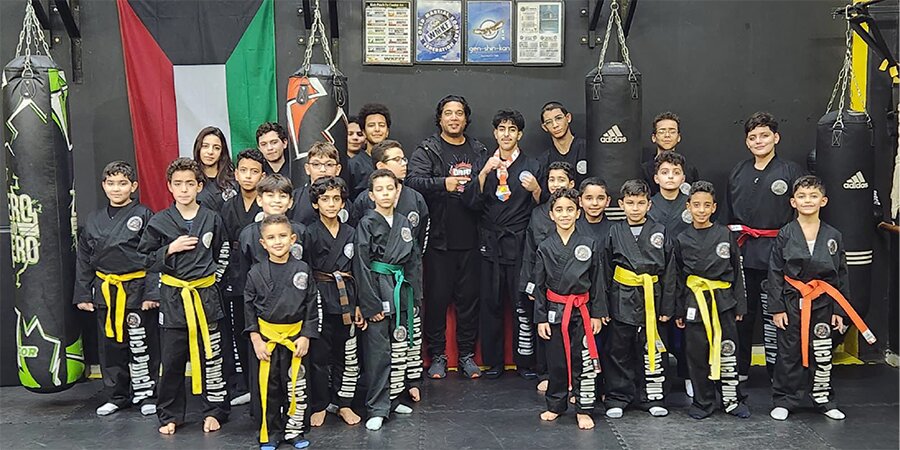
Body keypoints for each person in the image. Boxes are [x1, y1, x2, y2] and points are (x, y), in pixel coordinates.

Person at [767, 176, 875, 421]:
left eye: (813, 196)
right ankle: (785, 400)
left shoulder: (833, 235)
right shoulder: (785, 234)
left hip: (824, 301)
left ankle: (824, 398)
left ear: (823, 201)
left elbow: (841, 274)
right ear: (793, 202)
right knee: (789, 353)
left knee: (822, 352)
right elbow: (774, 271)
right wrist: (777, 308)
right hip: (792, 301)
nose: (808, 201)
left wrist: (839, 310)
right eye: (802, 196)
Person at [138, 158, 229, 435]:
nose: (184, 189)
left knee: (212, 357)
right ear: (169, 187)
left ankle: (214, 411)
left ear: (200, 186)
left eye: (190, 183)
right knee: (172, 360)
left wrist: (213, 280)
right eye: (178, 184)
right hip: (174, 299)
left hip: (205, 296)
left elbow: (223, 251)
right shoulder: (159, 221)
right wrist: (170, 249)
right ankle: (170, 414)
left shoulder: (212, 218)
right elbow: (145, 258)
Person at [406, 95, 487, 379]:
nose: (454, 118)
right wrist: (444, 183)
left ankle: (466, 355)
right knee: (437, 302)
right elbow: (412, 181)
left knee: (469, 303)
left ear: (466, 118)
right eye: (448, 113)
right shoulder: (428, 149)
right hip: (438, 241)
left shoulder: (479, 150)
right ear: (440, 118)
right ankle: (438, 355)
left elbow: (488, 187)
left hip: (472, 240)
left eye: (459, 113)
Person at [74, 161, 160, 417]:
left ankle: (146, 394)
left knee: (141, 344)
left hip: (136, 289)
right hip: (106, 290)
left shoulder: (144, 215)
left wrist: (152, 293)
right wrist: (83, 293)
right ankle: (116, 396)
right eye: (111, 183)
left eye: (122, 183)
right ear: (103, 186)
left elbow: (154, 256)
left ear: (133, 186)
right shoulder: (94, 219)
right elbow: (84, 258)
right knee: (110, 346)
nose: (116, 188)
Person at [726, 112, 805, 381]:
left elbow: (801, 214)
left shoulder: (790, 171)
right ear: (747, 142)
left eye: (764, 135)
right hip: (744, 251)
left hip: (777, 253)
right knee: (742, 314)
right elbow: (730, 216)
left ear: (776, 138)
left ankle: (776, 369)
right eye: (753, 137)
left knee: (776, 314)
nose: (758, 141)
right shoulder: (738, 172)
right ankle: (740, 368)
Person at [663, 181, 750, 419]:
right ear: (688, 207)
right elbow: (677, 278)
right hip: (695, 302)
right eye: (696, 205)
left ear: (714, 207)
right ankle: (703, 402)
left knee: (728, 351)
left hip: (724, 301)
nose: (701, 210)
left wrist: (740, 304)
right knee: (697, 354)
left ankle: (731, 400)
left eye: (706, 205)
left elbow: (737, 270)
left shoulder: (725, 235)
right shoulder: (681, 239)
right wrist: (679, 310)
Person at [469, 109, 543, 379]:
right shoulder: (484, 163)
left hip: (520, 242)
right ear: (495, 133)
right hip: (490, 243)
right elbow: (471, 203)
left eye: (512, 129)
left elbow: (544, 208)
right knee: (491, 303)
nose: (506, 134)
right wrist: (483, 174)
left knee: (521, 303)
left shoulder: (532, 165)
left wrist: (536, 189)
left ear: (519, 134)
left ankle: (525, 361)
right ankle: (493, 361)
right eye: (502, 129)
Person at [354, 169, 424, 431]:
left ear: (397, 192)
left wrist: (415, 296)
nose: (385, 194)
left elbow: (414, 261)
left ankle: (394, 400)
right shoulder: (367, 223)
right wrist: (370, 303)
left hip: (400, 287)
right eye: (379, 189)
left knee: (399, 347)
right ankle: (377, 407)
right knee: (378, 352)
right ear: (371, 195)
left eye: (390, 188)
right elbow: (361, 265)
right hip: (377, 286)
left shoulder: (404, 222)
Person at [244, 214, 319, 450]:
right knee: (269, 387)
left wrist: (306, 335)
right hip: (267, 339)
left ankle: (295, 430)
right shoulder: (255, 272)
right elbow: (248, 308)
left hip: (295, 338)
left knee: (296, 386)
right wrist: (256, 338)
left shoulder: (302, 269)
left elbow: (311, 304)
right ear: (263, 243)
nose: (278, 242)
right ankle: (271, 432)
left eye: (283, 236)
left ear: (293, 239)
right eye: (271, 238)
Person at [534, 188, 605, 430]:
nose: (564, 214)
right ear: (551, 215)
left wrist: (597, 314)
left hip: (581, 311)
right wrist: (541, 318)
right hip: (555, 310)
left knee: (583, 362)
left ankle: (584, 408)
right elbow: (539, 286)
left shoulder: (589, 244)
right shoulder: (545, 246)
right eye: (559, 210)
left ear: (578, 213)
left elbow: (598, 282)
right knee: (556, 362)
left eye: (569, 209)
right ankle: (555, 405)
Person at [601, 179, 672, 419]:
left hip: (653, 297)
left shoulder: (660, 231)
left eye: (641, 203)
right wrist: (603, 306)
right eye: (630, 203)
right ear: (621, 204)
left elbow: (670, 271)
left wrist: (667, 306)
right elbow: (605, 271)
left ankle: (653, 397)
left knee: (652, 348)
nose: (635, 208)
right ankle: (618, 397)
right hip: (621, 297)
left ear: (649, 205)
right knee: (618, 349)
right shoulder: (614, 232)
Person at [305, 176, 366, 427]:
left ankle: (344, 404)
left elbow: (358, 269)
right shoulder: (308, 232)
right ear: (315, 203)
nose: (331, 204)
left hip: (346, 300)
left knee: (347, 355)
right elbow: (305, 271)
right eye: (325, 199)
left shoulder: (351, 232)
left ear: (343, 203)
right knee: (319, 357)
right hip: (319, 298)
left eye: (336, 199)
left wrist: (359, 305)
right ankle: (319, 404)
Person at [519, 161, 575, 391]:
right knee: (545, 329)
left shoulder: (577, 212)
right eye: (551, 179)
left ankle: (575, 377)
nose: (555, 184)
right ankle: (545, 372)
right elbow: (530, 253)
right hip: (545, 284)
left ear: (571, 183)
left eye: (561, 179)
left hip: (573, 287)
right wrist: (530, 285)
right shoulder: (538, 213)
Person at [219, 148, 266, 406]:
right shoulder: (228, 206)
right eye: (244, 171)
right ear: (236, 174)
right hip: (235, 274)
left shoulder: (267, 203)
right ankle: (247, 384)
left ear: (263, 176)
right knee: (240, 330)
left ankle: (265, 385)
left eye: (254, 172)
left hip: (262, 273)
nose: (248, 176)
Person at [646, 151, 692, 396]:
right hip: (657, 278)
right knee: (659, 327)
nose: (670, 177)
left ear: (683, 177)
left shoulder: (692, 205)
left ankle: (688, 374)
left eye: (676, 173)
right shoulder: (649, 206)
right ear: (656, 178)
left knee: (686, 331)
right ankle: (657, 376)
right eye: (665, 172)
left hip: (686, 277)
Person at [348, 139, 430, 249]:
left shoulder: (416, 198)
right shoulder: (364, 199)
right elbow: (356, 237)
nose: (404, 164)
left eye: (403, 159)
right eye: (397, 160)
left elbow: (422, 236)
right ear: (381, 166)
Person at [641, 112, 699, 196]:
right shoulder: (643, 171)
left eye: (672, 131)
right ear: (654, 137)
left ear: (678, 137)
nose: (667, 135)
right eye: (662, 131)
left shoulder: (689, 170)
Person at [291, 142, 345, 226]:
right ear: (307, 169)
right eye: (316, 164)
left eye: (329, 164)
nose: (323, 169)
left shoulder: (344, 200)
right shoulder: (294, 199)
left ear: (338, 169)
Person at [538, 101, 588, 187]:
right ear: (544, 127)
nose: (555, 125)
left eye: (558, 118)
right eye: (549, 122)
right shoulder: (543, 161)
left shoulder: (588, 149)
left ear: (568, 118)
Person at [348, 104, 392, 198]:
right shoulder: (353, 165)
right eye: (371, 125)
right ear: (363, 132)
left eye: (381, 125)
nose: (377, 129)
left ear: (387, 132)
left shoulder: (396, 161)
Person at [193, 126, 237, 212]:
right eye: (205, 146)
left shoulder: (234, 180)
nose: (210, 152)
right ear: (198, 148)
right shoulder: (191, 179)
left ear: (222, 152)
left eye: (216, 148)